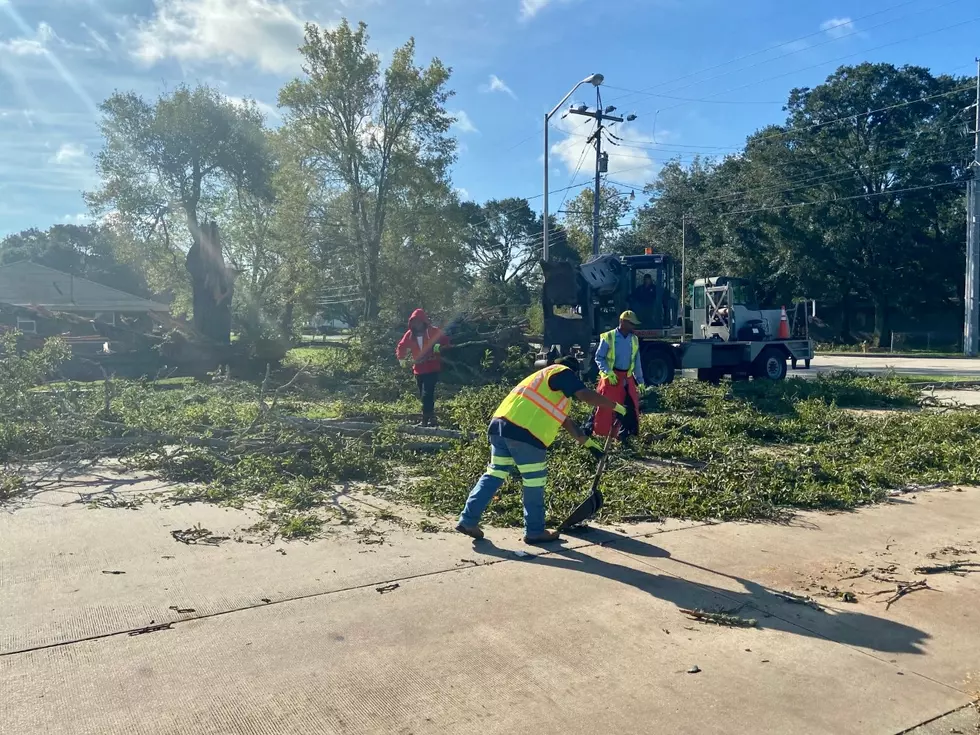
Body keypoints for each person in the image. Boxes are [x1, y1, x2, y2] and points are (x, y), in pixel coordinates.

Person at [456, 355, 626, 544]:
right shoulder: (561, 371)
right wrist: (616, 407)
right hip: (526, 436)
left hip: (500, 428)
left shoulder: (544, 385)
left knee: (494, 475)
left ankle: (468, 520)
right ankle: (535, 531)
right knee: (534, 483)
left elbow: (568, 424)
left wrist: (590, 446)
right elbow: (585, 395)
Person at [593, 310, 645, 440]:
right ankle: (602, 434)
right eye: (631, 323)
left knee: (631, 407)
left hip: (627, 378)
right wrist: (608, 372)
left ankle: (626, 435)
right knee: (607, 407)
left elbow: (636, 362)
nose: (633, 326)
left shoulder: (634, 339)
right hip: (612, 378)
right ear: (623, 322)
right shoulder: (609, 337)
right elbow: (599, 358)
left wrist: (640, 380)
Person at [395, 308, 449, 427]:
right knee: (424, 395)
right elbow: (401, 346)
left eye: (418, 321)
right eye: (414, 322)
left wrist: (437, 348)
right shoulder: (410, 335)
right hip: (418, 370)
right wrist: (401, 359)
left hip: (432, 368)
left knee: (427, 393)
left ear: (423, 321)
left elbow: (445, 341)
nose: (417, 324)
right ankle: (431, 417)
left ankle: (425, 420)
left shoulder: (433, 331)